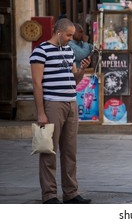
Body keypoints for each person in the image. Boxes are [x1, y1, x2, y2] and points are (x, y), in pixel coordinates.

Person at [29, 18, 91, 204]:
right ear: (58, 32)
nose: (71, 39)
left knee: (70, 151)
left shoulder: (68, 51)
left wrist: (82, 70)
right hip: (53, 105)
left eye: (72, 35)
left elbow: (74, 79)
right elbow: (36, 84)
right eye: (68, 35)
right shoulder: (40, 52)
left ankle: (71, 193)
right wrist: (41, 112)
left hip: (71, 103)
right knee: (49, 150)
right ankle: (49, 195)